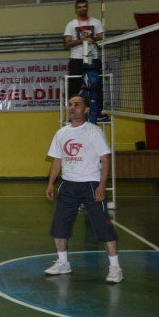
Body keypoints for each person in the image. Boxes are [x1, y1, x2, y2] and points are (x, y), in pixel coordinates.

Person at [44, 95, 121, 283]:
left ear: (86, 109)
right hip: (68, 185)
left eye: (77, 105)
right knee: (59, 227)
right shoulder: (61, 133)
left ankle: (115, 268)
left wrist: (102, 186)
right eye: (70, 105)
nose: (72, 107)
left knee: (103, 228)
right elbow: (57, 160)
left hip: (90, 185)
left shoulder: (93, 132)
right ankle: (63, 263)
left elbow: (105, 159)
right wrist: (50, 183)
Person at [63, 0, 105, 119]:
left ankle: (99, 112)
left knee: (96, 84)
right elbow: (67, 43)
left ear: (87, 7)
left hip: (93, 57)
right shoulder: (71, 24)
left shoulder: (96, 22)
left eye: (84, 6)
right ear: (76, 9)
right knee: (74, 86)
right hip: (76, 59)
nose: (82, 9)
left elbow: (101, 37)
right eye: (80, 7)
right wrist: (82, 40)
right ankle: (72, 113)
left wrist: (94, 39)